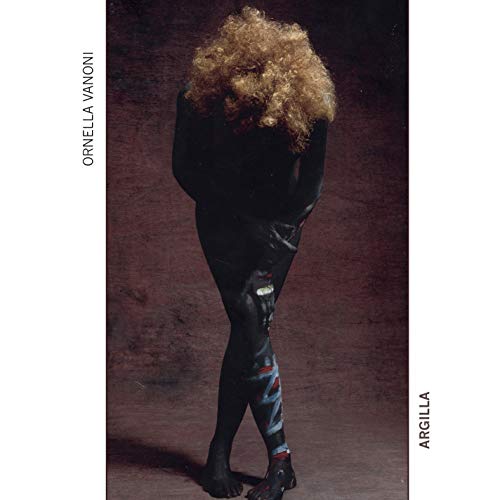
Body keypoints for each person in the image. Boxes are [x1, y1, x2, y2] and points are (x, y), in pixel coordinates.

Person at [172, 7, 336, 499]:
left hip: (278, 231)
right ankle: (270, 461)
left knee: (249, 325)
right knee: (249, 326)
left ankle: (231, 455)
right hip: (221, 226)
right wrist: (233, 215)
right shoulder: (198, 99)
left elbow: (309, 188)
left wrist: (271, 252)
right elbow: (184, 169)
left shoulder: (311, 105)